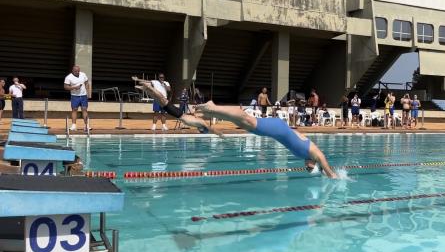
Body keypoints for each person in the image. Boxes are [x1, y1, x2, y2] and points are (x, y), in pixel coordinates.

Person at [133, 77, 338, 179]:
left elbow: (293, 134)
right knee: (245, 119)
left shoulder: (303, 151)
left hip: (275, 130)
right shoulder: (315, 152)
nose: (308, 166)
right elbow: (328, 168)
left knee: (243, 122)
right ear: (315, 162)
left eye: (307, 168)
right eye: (310, 167)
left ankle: (213, 110)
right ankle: (213, 108)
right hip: (275, 128)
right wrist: (334, 176)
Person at [64, 65, 91, 131]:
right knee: (74, 110)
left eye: (78, 71)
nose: (77, 72)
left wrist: (87, 91)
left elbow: (87, 82)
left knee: (84, 109)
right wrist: (74, 87)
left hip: (83, 95)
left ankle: (86, 125)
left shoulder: (83, 74)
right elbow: (65, 87)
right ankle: (73, 125)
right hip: (74, 96)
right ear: (72, 71)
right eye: (76, 71)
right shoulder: (68, 77)